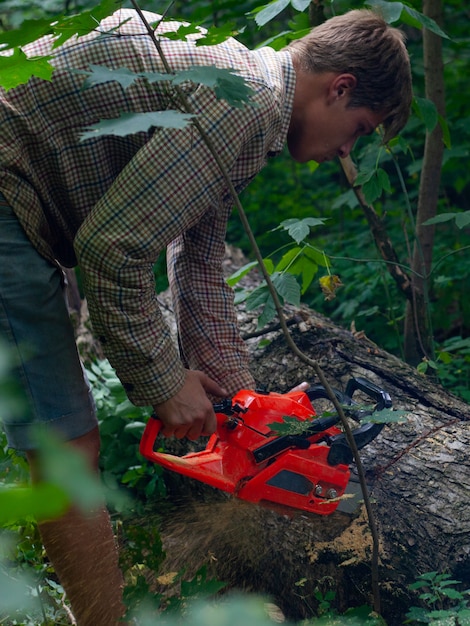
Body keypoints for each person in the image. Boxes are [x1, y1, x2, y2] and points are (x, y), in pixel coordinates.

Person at [0, 7, 412, 625]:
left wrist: (242, 406)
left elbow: (197, 261)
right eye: (357, 130)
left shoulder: (241, 86)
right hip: (6, 192)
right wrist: (165, 384)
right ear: (341, 87)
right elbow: (112, 249)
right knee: (66, 446)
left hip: (19, 197)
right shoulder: (240, 107)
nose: (344, 151)